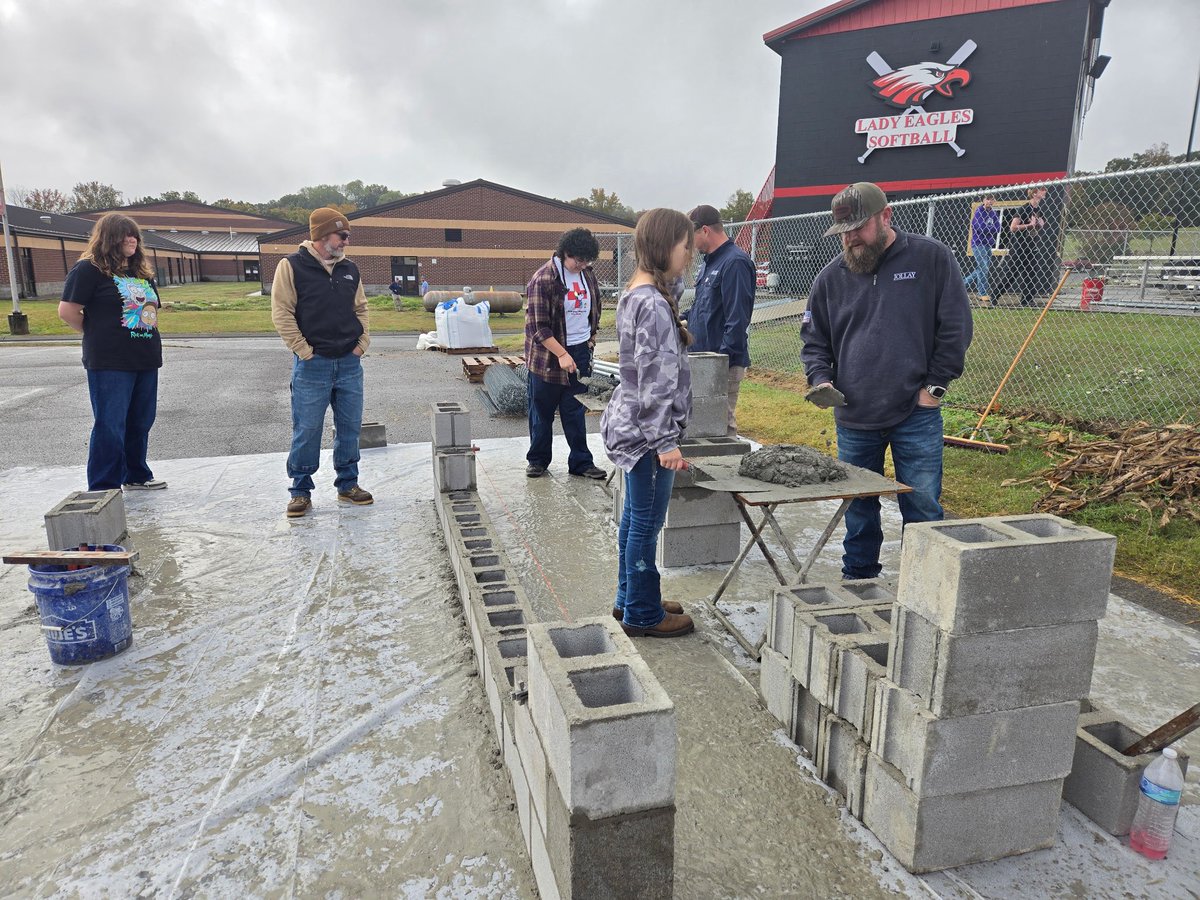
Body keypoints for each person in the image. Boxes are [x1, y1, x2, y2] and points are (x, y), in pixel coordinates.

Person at [801, 182, 972, 580]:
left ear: (886, 217)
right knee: (859, 507)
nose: (851, 238)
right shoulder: (830, 278)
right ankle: (859, 578)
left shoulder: (931, 259)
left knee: (924, 505)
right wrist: (821, 379)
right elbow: (814, 340)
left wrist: (935, 390)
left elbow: (956, 328)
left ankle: (926, 584)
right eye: (843, 231)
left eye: (859, 228)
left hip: (916, 412)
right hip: (855, 415)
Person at [601, 209, 696, 638]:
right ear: (664, 247)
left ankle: (631, 597)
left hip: (632, 426)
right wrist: (665, 442)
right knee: (646, 522)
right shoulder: (654, 307)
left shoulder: (637, 293)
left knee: (635, 519)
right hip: (646, 435)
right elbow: (656, 378)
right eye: (684, 246)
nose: (690, 254)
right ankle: (642, 612)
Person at [271, 207, 373, 518]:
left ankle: (348, 484)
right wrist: (304, 351)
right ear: (321, 235)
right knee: (307, 428)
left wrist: (361, 345)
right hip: (312, 365)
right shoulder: (291, 266)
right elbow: (282, 313)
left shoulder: (350, 270)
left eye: (347, 236)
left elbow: (362, 309)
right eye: (342, 235)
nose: (346, 241)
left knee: (350, 427)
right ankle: (300, 490)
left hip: (349, 364)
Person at [58, 213, 166, 492]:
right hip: (109, 361)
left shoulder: (140, 272)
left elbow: (150, 312)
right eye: (125, 234)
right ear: (109, 238)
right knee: (111, 424)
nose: (132, 239)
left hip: (145, 357)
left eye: (135, 235)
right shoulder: (89, 270)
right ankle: (104, 484)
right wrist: (96, 333)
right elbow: (67, 311)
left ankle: (136, 474)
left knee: (141, 421)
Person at [523, 228, 607, 480]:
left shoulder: (587, 276)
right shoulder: (544, 279)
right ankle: (538, 460)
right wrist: (561, 354)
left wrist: (590, 339)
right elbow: (539, 327)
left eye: (586, 261)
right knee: (542, 410)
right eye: (577, 260)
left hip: (580, 351)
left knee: (575, 409)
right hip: (547, 357)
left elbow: (595, 308)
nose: (581, 265)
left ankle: (581, 462)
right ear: (565, 253)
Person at [685, 204, 756, 436]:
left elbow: (737, 319)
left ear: (705, 230)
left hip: (720, 363)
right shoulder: (709, 262)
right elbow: (702, 307)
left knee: (720, 427)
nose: (690, 244)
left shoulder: (735, 262)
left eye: (691, 236)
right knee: (701, 427)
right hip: (702, 359)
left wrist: (720, 362)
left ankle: (727, 470)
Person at [1008, 187, 1049, 307]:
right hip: (1020, 246)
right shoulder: (1024, 208)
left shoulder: (1039, 210)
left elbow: (1039, 225)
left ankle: (1027, 300)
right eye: (1042, 190)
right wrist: (1029, 225)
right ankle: (995, 295)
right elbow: (1013, 227)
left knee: (1031, 274)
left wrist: (1040, 225)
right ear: (1035, 193)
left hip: (1032, 245)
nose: (1045, 192)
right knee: (1011, 274)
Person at [963, 194, 1001, 306]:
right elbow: (979, 227)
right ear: (984, 200)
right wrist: (990, 229)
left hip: (988, 244)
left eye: (992, 199)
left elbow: (998, 228)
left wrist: (988, 229)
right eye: (987, 199)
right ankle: (982, 293)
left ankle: (960, 285)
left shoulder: (993, 213)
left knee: (981, 269)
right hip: (978, 244)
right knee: (983, 268)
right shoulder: (979, 212)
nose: (990, 201)